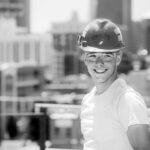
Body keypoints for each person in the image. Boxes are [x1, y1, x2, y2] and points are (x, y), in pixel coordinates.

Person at [77, 18, 150, 150]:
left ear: (118, 58)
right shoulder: (87, 100)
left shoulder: (127, 100)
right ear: (85, 58)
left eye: (107, 56)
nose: (99, 63)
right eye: (92, 55)